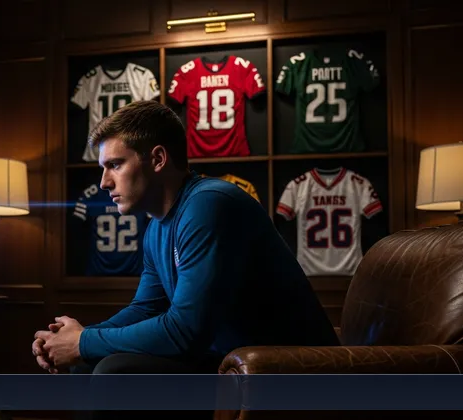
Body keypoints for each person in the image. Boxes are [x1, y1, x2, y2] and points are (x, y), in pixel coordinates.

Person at [32, 100, 339, 378]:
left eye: (115, 165)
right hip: (228, 359)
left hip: (287, 368)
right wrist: (70, 340)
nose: (103, 182)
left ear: (158, 158)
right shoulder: (157, 226)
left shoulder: (209, 204)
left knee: (113, 370)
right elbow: (145, 308)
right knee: (88, 365)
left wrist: (83, 342)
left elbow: (185, 331)